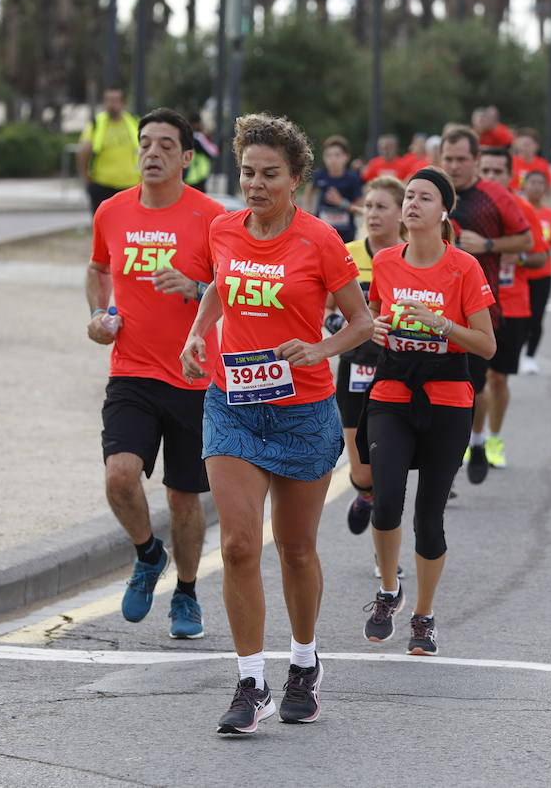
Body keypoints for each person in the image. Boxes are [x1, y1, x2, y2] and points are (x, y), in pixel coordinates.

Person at [180, 112, 373, 735]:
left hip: (304, 410)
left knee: (295, 550)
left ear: (296, 180)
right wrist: (196, 334)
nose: (255, 184)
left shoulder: (319, 241)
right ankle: (249, 682)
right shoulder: (222, 229)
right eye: (247, 172)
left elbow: (362, 323)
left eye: (270, 174)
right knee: (238, 545)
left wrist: (320, 350)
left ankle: (304, 662)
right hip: (232, 402)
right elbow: (218, 286)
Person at [86, 108, 227, 641]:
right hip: (133, 370)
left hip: (195, 375)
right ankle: (148, 554)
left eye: (166, 145)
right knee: (119, 475)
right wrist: (99, 317)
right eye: (146, 143)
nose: (152, 152)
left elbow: (234, 293)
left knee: (183, 497)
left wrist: (194, 289)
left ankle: (186, 592)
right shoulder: (112, 211)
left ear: (187, 158)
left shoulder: (213, 219)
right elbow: (98, 268)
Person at [362, 167, 497, 656]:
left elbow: (485, 345)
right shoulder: (384, 263)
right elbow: (375, 318)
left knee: (429, 517)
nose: (412, 205)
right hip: (393, 390)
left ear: (444, 213)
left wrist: (443, 324)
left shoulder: (464, 267)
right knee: (386, 497)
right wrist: (376, 331)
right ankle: (387, 591)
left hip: (446, 397)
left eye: (424, 198)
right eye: (409, 197)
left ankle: (423, 615)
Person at [440, 125, 532, 483]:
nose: (454, 166)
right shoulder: (431, 194)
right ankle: (443, 462)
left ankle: (477, 441)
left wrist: (489, 246)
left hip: (479, 313)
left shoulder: (494, 196)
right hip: (431, 311)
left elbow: (525, 239)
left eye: (462, 159)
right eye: (448, 159)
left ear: (476, 160)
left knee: (473, 389)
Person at [331, 177, 406, 539]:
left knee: (391, 471)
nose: (372, 214)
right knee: (362, 472)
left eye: (382, 207)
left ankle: (385, 557)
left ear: (401, 213)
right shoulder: (347, 252)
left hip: (401, 371)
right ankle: (364, 496)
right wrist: (350, 328)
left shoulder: (411, 257)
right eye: (369, 207)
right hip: (357, 367)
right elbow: (326, 310)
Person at [471, 146, 547, 468]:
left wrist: (518, 257)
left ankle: (494, 439)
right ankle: (472, 439)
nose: (490, 177)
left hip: (512, 305)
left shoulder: (521, 209)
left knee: (499, 380)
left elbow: (541, 256)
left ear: (509, 175)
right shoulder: (469, 206)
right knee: (475, 381)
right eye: (485, 171)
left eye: (497, 171)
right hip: (475, 304)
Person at [519, 169, 551, 375]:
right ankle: (516, 350)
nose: (536, 187)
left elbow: (550, 239)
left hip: (543, 273)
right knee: (520, 317)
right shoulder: (518, 210)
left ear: (545, 188)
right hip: (521, 273)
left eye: (540, 183)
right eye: (532, 182)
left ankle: (530, 356)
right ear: (524, 185)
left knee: (537, 317)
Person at [77, 88, 140, 217]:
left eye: (116, 100)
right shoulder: (96, 124)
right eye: (109, 100)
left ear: (123, 103)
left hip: (130, 186)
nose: (112, 104)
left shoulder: (134, 122)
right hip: (102, 185)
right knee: (103, 230)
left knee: (128, 230)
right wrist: (85, 175)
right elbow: (83, 149)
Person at [305, 136, 364, 242]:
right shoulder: (320, 175)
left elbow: (360, 208)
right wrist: (308, 212)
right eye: (328, 155)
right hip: (322, 232)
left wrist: (341, 202)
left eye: (337, 155)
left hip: (346, 235)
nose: (332, 159)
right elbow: (309, 191)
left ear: (346, 157)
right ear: (324, 157)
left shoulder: (352, 178)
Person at [511, 128, 551, 193]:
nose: (524, 147)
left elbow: (549, 188)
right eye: (522, 144)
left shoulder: (542, 164)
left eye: (528, 144)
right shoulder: (511, 162)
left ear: (536, 146)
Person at [185, 110, 218, 190]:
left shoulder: (184, 136)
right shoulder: (198, 137)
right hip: (197, 176)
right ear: (197, 123)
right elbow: (213, 152)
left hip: (186, 176)